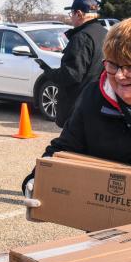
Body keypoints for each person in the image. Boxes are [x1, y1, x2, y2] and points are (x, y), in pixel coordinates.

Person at [23, 18, 131, 210]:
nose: (120, 75)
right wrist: (38, 179)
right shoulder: (93, 96)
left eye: (129, 67)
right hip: (103, 221)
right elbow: (66, 147)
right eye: (113, 65)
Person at [38, 0, 107, 127]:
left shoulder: (82, 37)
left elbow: (72, 74)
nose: (71, 18)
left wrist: (50, 73)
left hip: (79, 107)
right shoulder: (106, 34)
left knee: (71, 146)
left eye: (72, 14)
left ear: (79, 14)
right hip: (99, 102)